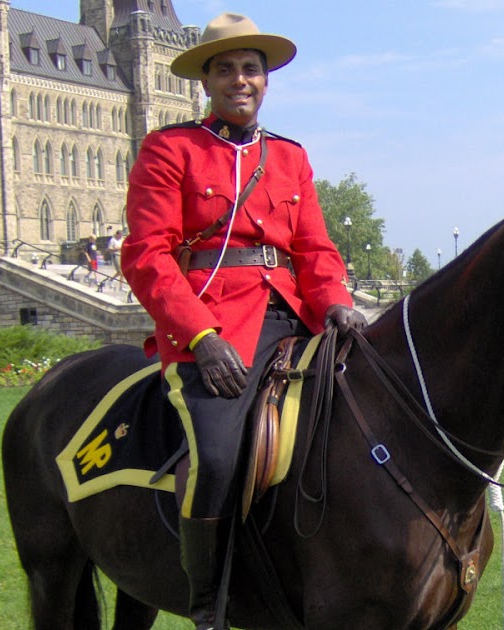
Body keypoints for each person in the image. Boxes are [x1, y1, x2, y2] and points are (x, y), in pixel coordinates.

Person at [120, 12, 365, 630]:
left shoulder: (289, 156)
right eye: (225, 69)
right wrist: (200, 337)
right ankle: (209, 600)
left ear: (266, 79)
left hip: (295, 317)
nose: (240, 79)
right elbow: (147, 255)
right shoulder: (170, 149)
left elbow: (313, 249)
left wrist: (335, 300)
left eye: (250, 69)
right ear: (205, 81)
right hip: (213, 325)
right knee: (219, 454)